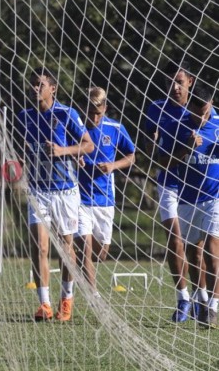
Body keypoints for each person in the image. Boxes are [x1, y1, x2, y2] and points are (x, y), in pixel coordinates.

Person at [14, 67, 94, 322]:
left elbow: (88, 145)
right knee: (39, 246)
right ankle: (44, 304)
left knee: (66, 249)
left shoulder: (66, 113)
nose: (35, 89)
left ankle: (66, 300)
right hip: (39, 190)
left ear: (53, 89)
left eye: (40, 84)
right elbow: (20, 147)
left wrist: (64, 151)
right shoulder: (24, 116)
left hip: (66, 192)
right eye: (33, 84)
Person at [144, 60, 206, 322]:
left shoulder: (204, 112)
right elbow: (149, 151)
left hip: (197, 187)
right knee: (174, 239)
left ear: (190, 82)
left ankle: (202, 299)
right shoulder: (156, 109)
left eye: (179, 82)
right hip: (169, 183)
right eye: (170, 82)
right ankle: (183, 300)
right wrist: (154, 142)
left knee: (197, 248)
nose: (175, 87)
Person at [159, 84, 219, 328]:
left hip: (214, 196)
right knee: (194, 253)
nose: (203, 117)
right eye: (199, 112)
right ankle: (201, 301)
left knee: (212, 250)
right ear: (190, 107)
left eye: (207, 111)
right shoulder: (177, 126)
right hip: (186, 199)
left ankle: (214, 307)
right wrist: (185, 148)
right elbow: (162, 162)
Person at [75, 87, 135, 296]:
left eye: (98, 113)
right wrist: (75, 158)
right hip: (80, 198)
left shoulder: (115, 128)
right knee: (85, 248)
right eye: (90, 112)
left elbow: (131, 156)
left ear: (105, 109)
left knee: (100, 254)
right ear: (83, 108)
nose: (94, 117)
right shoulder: (76, 127)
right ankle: (94, 295)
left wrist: (113, 166)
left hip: (105, 199)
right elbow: (64, 150)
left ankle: (72, 259)